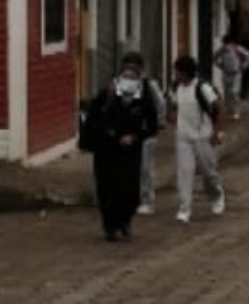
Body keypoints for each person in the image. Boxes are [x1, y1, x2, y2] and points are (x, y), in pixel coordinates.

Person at [88, 52, 160, 241]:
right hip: (107, 151)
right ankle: (110, 226)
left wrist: (135, 137)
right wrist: (109, 135)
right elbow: (93, 119)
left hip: (130, 152)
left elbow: (152, 125)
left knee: (129, 190)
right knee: (107, 189)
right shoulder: (107, 94)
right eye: (125, 75)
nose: (129, 80)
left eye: (133, 76)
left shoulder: (144, 97)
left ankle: (125, 220)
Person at [168, 55, 227, 223]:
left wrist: (217, 131)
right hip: (183, 137)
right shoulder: (176, 88)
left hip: (203, 136)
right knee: (184, 172)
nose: (175, 75)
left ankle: (216, 195)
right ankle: (184, 209)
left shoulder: (202, 88)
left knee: (208, 172)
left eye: (177, 72)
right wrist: (174, 121)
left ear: (185, 72)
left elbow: (220, 108)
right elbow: (172, 107)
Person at [137, 62, 169, 214]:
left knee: (145, 168)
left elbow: (161, 103)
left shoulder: (149, 85)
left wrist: (160, 121)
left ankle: (147, 200)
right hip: (130, 133)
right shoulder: (121, 85)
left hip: (148, 132)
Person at [214, 34, 249, 120]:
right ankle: (230, 109)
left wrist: (244, 65)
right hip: (226, 73)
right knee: (227, 94)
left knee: (234, 92)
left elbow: (248, 55)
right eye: (225, 44)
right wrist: (220, 65)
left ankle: (236, 111)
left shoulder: (237, 49)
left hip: (236, 73)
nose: (227, 46)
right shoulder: (222, 50)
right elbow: (215, 57)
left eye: (228, 44)